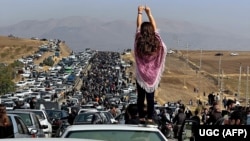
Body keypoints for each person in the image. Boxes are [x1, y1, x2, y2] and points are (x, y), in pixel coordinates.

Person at [134, 5, 167, 126]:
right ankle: (149, 117)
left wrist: (140, 13)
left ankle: (141, 116)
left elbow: (138, 26)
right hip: (152, 75)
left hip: (141, 75)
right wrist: (149, 13)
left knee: (140, 97)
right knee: (150, 97)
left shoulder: (139, 40)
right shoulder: (157, 41)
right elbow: (155, 27)